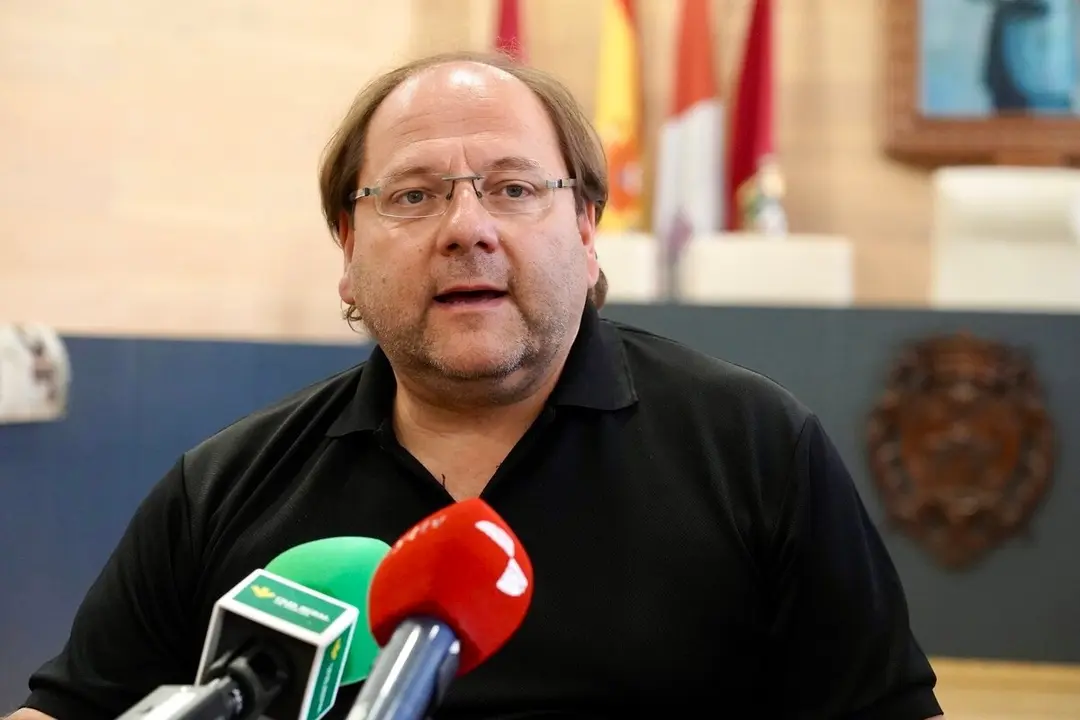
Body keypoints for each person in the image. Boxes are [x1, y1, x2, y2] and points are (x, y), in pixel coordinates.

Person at [8, 50, 944, 720]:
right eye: (413, 195)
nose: (467, 228)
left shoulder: (756, 450)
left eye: (512, 187)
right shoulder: (221, 488)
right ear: (348, 247)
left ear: (584, 230)